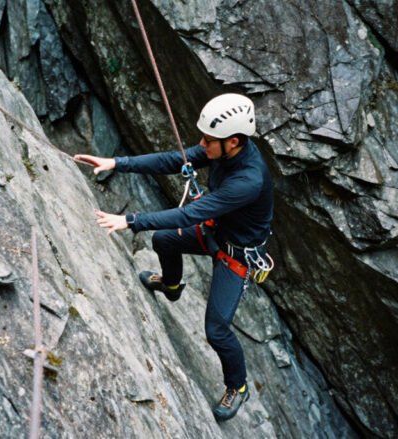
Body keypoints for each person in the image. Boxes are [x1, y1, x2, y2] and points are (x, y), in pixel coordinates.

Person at [74, 93, 274, 422]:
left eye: (208, 140)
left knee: (217, 329)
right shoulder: (223, 152)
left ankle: (238, 386)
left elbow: (190, 214)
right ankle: (171, 285)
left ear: (233, 141)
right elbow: (171, 160)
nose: (201, 144)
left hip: (235, 256)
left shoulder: (248, 180)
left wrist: (130, 221)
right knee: (164, 241)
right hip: (216, 232)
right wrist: (116, 163)